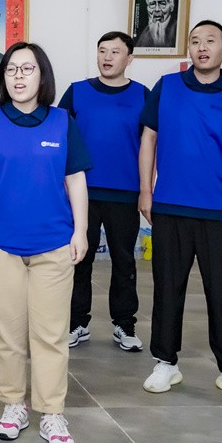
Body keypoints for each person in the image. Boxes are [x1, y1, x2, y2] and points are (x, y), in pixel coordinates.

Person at [0, 41, 92, 443]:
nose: (18, 76)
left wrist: (81, 231)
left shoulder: (62, 122)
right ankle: (13, 404)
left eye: (27, 69)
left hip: (54, 244)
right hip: (1, 245)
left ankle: (52, 412)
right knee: (7, 332)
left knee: (51, 334)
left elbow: (76, 180)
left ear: (42, 76)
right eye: (11, 69)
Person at [139, 20, 222, 404]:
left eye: (210, 41)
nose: (202, 47)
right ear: (188, 49)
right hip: (171, 206)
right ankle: (165, 362)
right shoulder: (166, 87)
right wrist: (146, 191)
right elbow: (148, 139)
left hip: (220, 211)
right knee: (167, 288)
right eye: (195, 41)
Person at [58, 31, 147, 352]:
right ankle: (76, 323)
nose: (107, 57)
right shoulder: (77, 92)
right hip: (82, 192)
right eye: (102, 51)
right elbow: (59, 138)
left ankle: (124, 324)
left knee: (124, 261)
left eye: (115, 52)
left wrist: (146, 189)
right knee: (78, 258)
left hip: (125, 192)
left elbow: (151, 145)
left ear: (129, 58)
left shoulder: (143, 95)